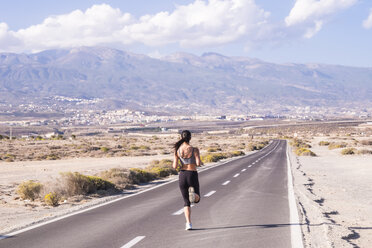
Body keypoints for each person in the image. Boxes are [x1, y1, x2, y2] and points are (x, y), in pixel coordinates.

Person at [172, 130, 202, 230]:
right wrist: (198, 159)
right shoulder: (194, 149)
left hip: (182, 175)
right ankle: (194, 196)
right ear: (190, 138)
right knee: (197, 199)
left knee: (186, 202)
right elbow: (198, 163)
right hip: (192, 174)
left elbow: (174, 166)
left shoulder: (177, 150)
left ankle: (188, 223)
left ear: (181, 137)